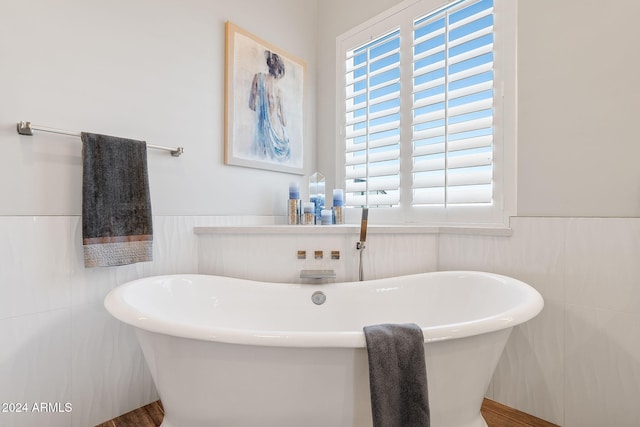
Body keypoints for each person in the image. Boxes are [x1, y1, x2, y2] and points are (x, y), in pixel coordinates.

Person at [248, 50, 290, 161]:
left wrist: (262, 109)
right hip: (277, 132)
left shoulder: (258, 78)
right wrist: (275, 112)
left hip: (262, 129)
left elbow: (251, 105)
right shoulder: (279, 91)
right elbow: (284, 122)